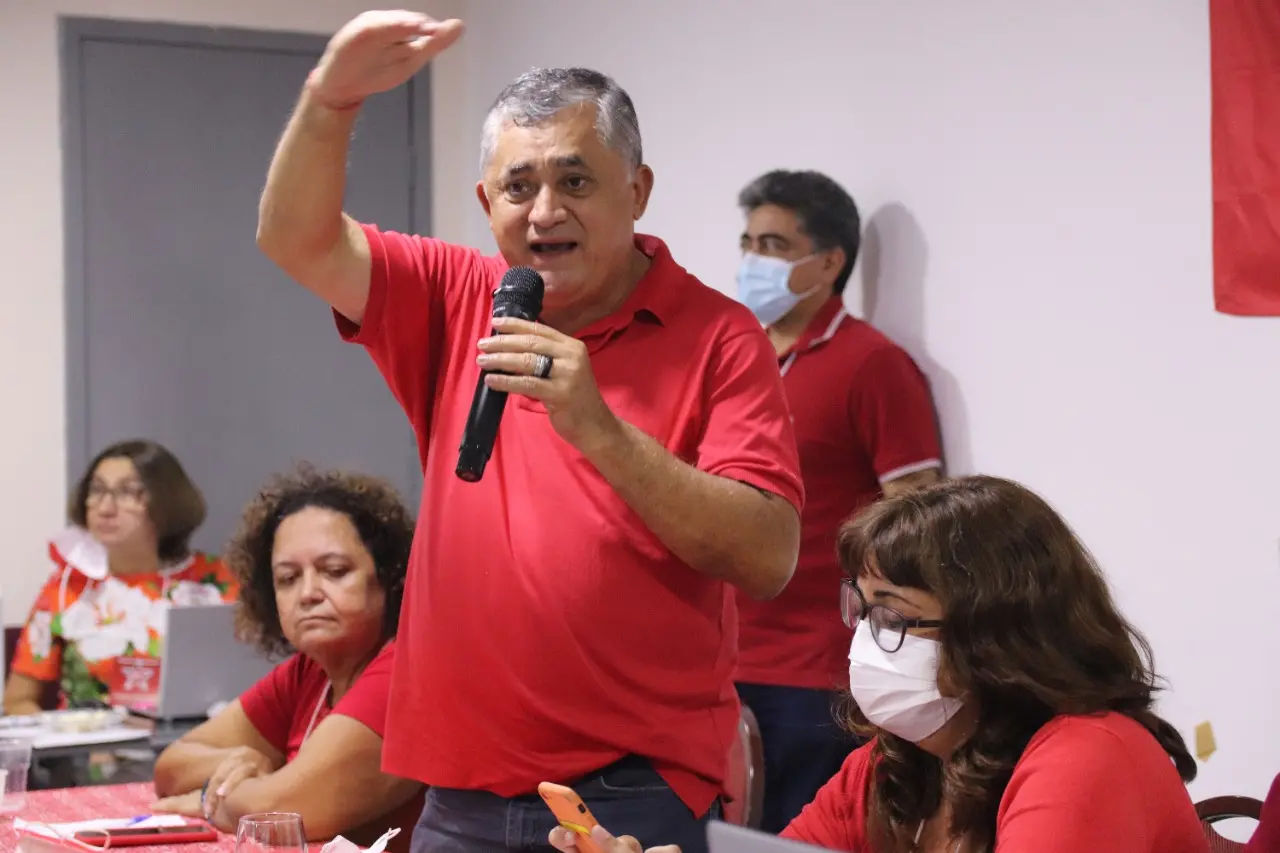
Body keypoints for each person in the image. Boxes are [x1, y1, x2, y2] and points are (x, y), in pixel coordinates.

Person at [254, 10, 804, 853]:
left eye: (575, 181)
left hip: (627, 794)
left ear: (638, 190)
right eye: (518, 187)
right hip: (457, 793)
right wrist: (331, 100)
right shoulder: (457, 293)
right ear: (487, 202)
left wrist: (599, 428)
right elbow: (295, 239)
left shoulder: (721, 336)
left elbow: (766, 556)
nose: (544, 210)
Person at [548, 476, 1209, 853]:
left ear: (994, 633)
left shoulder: (1089, 754)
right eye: (861, 610)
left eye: (892, 616)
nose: (865, 640)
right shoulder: (899, 761)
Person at [732, 170, 943, 832]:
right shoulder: (737, 359)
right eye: (747, 242)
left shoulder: (872, 364)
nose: (751, 261)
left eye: (771, 243)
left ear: (828, 262)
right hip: (719, 663)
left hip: (816, 672)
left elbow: (918, 521)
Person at [151, 466, 422, 852]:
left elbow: (280, 812)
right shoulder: (309, 672)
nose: (308, 593)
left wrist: (208, 799)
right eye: (288, 578)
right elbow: (170, 766)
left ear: (389, 576)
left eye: (334, 571)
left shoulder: (403, 669)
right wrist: (243, 760)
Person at [5, 439, 236, 715]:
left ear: (168, 500)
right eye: (97, 490)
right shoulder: (68, 586)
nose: (105, 508)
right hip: (89, 751)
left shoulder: (216, 581)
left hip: (195, 746)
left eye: (128, 493)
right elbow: (17, 702)